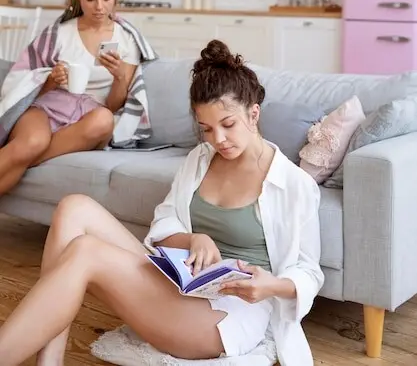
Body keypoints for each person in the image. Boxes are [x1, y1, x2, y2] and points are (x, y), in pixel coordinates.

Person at [0, 39, 324, 366]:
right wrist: (193, 239)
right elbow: (164, 225)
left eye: (228, 125)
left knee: (85, 251)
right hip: (183, 282)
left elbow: (309, 271)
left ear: (253, 114)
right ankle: (50, 359)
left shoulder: (294, 184)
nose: (218, 140)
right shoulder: (200, 159)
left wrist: (273, 286)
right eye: (206, 129)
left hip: (228, 312)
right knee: (74, 207)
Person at [0, 0, 156, 195]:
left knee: (104, 120)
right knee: (32, 142)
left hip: (91, 116)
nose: (99, 7)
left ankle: (24, 157)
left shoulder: (127, 39)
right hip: (47, 108)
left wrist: (119, 77)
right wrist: (52, 79)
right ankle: (26, 154)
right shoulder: (59, 33)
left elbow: (114, 106)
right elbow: (23, 81)